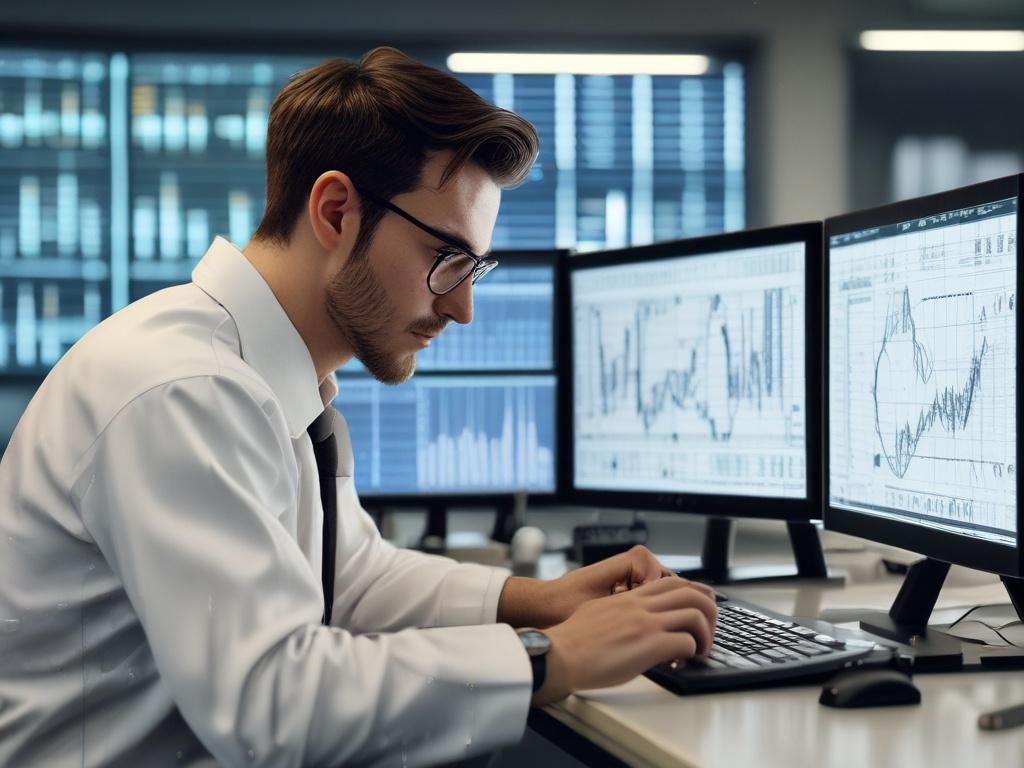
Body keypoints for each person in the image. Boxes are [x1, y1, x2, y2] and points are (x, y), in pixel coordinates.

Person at [0, 47, 717, 767]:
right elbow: (271, 707)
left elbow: (355, 580)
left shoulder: (269, 379)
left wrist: (543, 600)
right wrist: (549, 655)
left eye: (475, 269)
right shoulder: (186, 390)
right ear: (336, 212)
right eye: (449, 259)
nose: (463, 308)